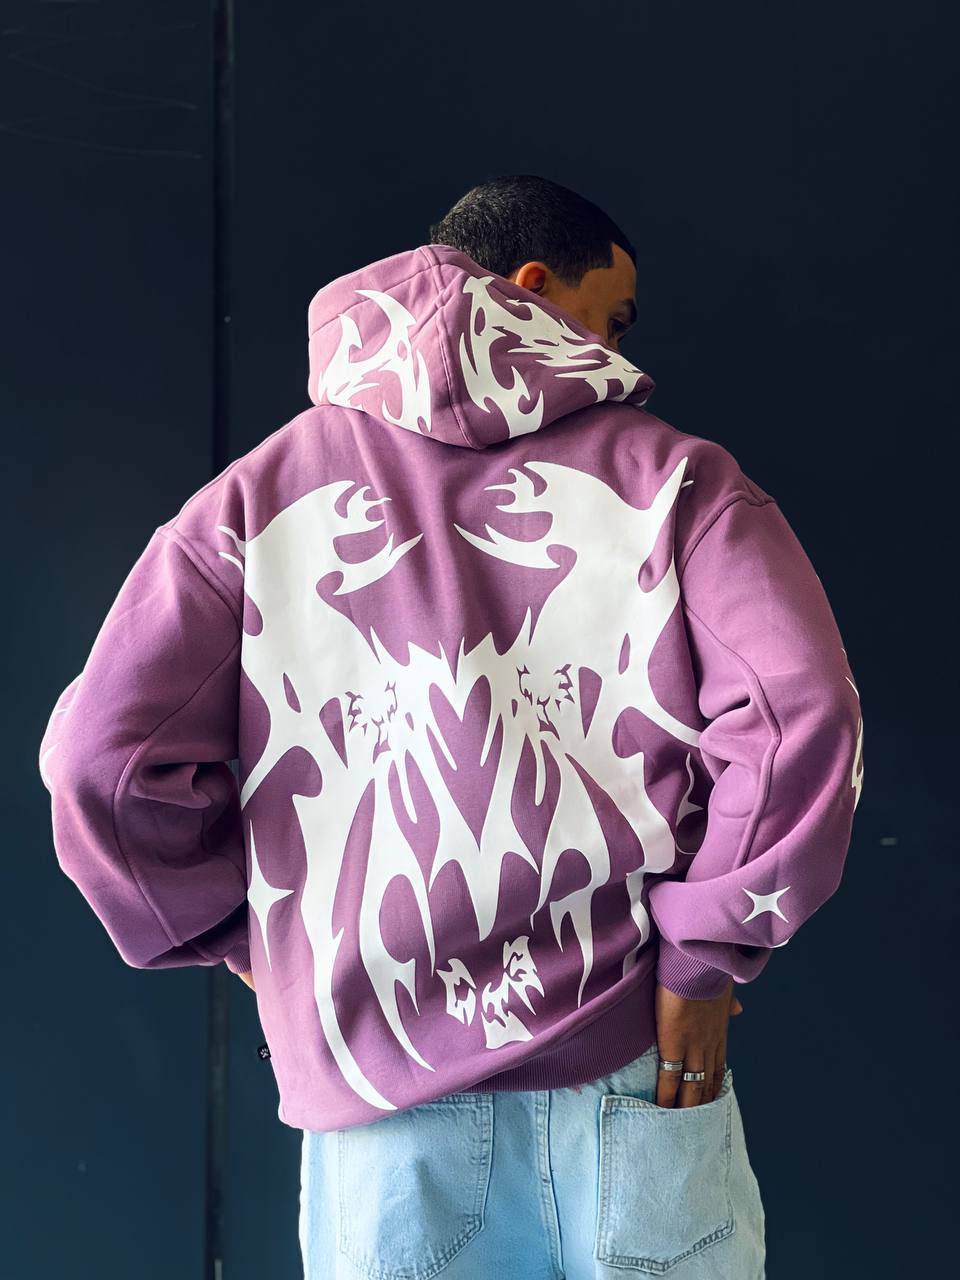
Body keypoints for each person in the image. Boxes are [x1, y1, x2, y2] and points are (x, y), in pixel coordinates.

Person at [38, 174, 864, 1279]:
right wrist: (704, 958)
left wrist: (242, 934)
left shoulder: (251, 505)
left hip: (377, 1092)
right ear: (535, 285)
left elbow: (98, 761)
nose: (618, 352)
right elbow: (802, 715)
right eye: (611, 317)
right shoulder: (675, 483)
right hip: (636, 1063)